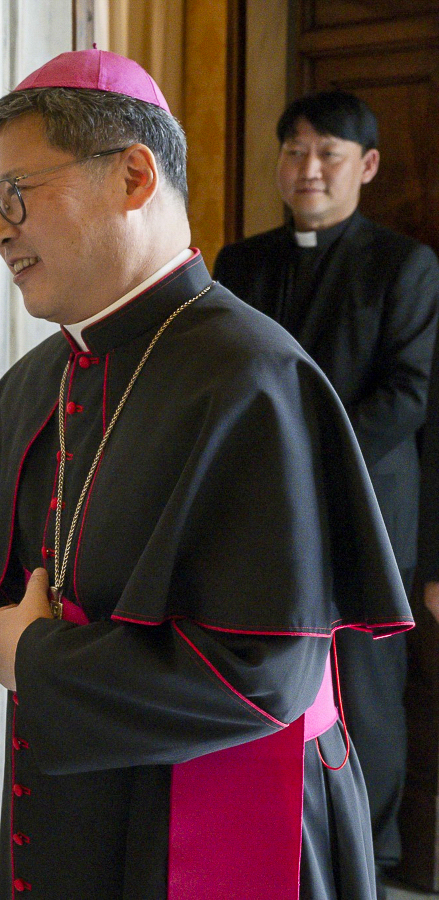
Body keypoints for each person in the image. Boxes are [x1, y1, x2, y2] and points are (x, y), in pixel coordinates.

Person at [0, 50, 412, 900]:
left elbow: (259, 679)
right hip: (79, 810)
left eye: (17, 196)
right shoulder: (51, 375)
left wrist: (33, 659)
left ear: (135, 176)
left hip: (217, 817)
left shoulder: (254, 376)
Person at [213, 90, 439, 881]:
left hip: (370, 519)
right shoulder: (241, 264)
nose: (307, 169)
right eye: (294, 151)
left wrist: (302, 451)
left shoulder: (406, 266)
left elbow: (408, 397)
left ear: (366, 166)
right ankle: (283, 851)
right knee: (273, 688)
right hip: (266, 522)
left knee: (370, 701)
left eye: (328, 154)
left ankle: (367, 863)